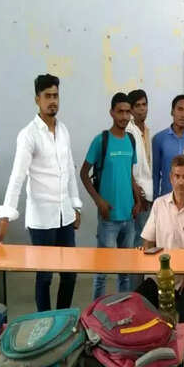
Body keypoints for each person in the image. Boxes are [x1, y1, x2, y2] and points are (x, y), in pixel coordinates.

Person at [0, 74, 81, 312]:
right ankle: (45, 321)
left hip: (65, 216)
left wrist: (75, 205)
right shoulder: (28, 135)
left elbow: (69, 170)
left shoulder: (63, 130)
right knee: (45, 275)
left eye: (56, 96)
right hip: (41, 219)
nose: (53, 101)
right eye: (47, 96)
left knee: (70, 274)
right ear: (37, 99)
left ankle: (62, 318)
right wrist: (5, 219)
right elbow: (17, 177)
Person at [134, 155, 184, 326]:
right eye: (177, 176)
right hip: (159, 278)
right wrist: (146, 256)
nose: (181, 182)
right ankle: (153, 340)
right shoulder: (159, 205)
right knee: (137, 302)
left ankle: (178, 343)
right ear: (171, 178)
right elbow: (148, 241)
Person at [80, 92, 141, 299]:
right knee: (102, 272)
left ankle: (123, 308)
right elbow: (84, 174)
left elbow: (129, 175)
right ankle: (96, 311)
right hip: (108, 219)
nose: (124, 116)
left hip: (129, 217)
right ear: (112, 113)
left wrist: (137, 201)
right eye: (120, 112)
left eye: (127, 112)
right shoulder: (101, 140)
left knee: (125, 272)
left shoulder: (131, 140)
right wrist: (99, 202)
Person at [126, 89, 153, 290]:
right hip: (138, 196)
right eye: (137, 106)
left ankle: (138, 291)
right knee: (137, 246)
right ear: (131, 109)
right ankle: (133, 292)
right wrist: (138, 196)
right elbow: (129, 168)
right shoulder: (129, 131)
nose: (142, 109)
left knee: (144, 245)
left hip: (148, 193)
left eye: (144, 104)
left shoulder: (146, 130)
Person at [152, 94, 184, 199]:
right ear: (172, 112)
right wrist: (155, 199)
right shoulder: (159, 139)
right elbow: (155, 174)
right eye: (180, 109)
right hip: (166, 199)